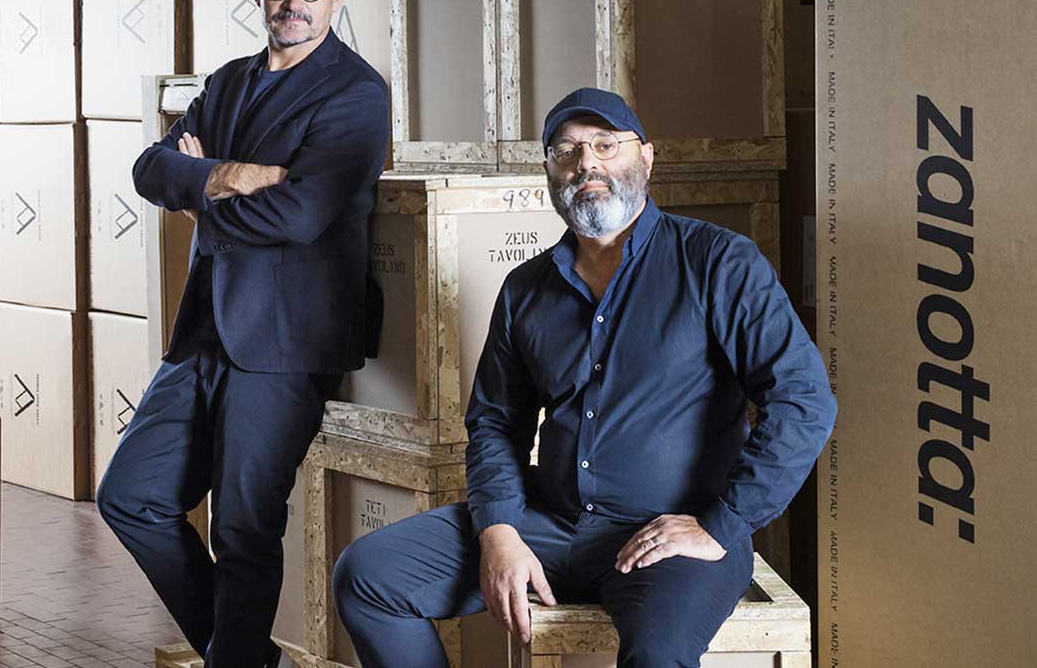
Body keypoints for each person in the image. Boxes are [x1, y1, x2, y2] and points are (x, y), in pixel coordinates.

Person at [332, 88, 835, 668]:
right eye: (566, 150)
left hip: (668, 533)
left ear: (646, 157)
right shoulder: (526, 290)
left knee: (658, 655)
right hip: (548, 521)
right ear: (550, 169)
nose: (586, 163)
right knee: (367, 576)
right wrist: (499, 530)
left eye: (605, 144)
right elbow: (495, 424)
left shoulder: (718, 262)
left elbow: (803, 399)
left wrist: (723, 523)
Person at [97, 0, 390, 668]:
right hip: (204, 330)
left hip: (285, 344)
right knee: (129, 497)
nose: (294, 1)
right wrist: (232, 175)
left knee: (243, 529)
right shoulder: (227, 82)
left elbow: (301, 214)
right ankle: (249, 658)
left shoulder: (356, 93)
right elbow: (150, 169)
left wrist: (200, 194)